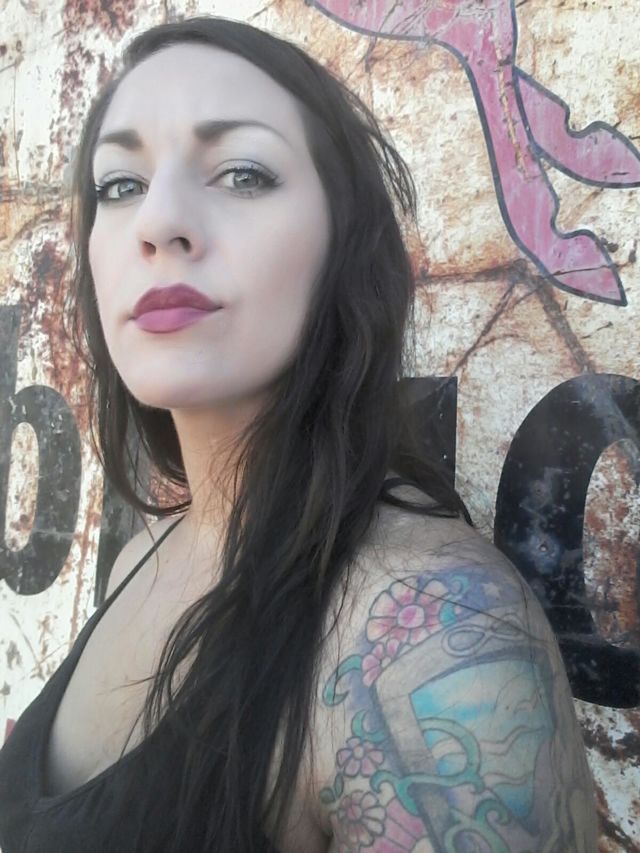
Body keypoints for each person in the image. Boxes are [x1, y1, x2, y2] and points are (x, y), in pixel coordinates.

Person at [0, 14, 598, 853]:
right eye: (120, 184)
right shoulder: (142, 555)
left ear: (343, 245)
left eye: (243, 173)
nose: (157, 220)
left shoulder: (428, 629)